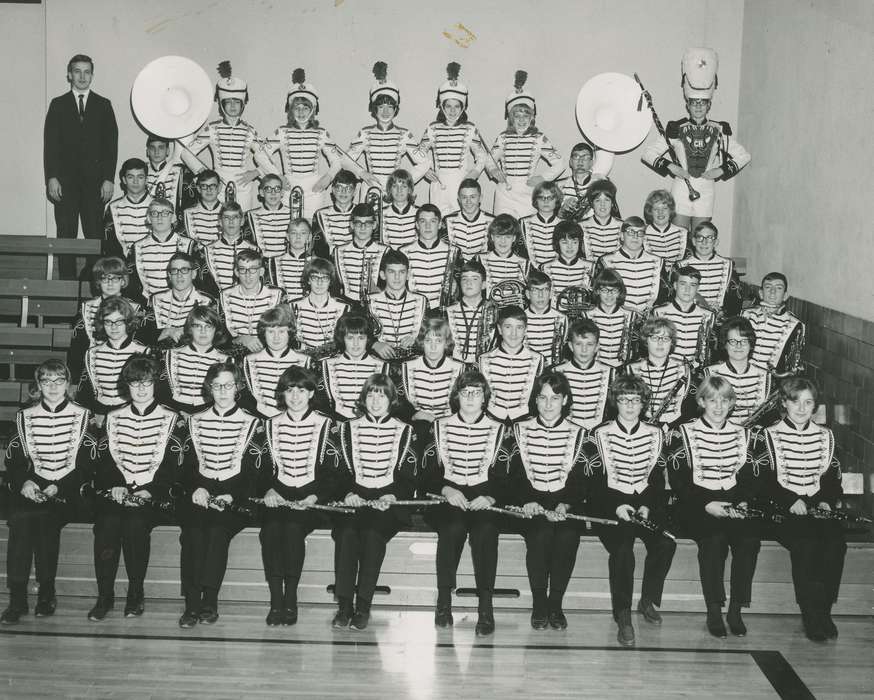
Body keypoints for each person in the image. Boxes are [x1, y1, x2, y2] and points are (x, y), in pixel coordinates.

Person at [666, 375, 764, 638]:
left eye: (724, 400)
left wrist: (741, 501)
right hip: (696, 506)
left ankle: (736, 609)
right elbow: (679, 481)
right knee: (714, 540)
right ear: (701, 401)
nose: (718, 406)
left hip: (733, 504)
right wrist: (707, 504)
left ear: (732, 403)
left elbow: (750, 477)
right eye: (712, 400)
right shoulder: (684, 432)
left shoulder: (744, 434)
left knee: (749, 541)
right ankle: (714, 609)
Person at [86, 356, 182, 621]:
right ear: (127, 385)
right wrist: (115, 485)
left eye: (147, 383)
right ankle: (104, 596)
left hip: (154, 496)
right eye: (135, 383)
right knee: (106, 524)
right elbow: (104, 460)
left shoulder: (172, 419)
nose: (141, 389)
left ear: (155, 385)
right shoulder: (113, 417)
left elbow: (173, 465)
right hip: (117, 494)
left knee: (135, 525)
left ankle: (135, 594)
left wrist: (150, 490)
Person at [1, 360, 94, 624]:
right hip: (34, 489)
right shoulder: (24, 416)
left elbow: (88, 466)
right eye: (46, 381)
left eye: (59, 380)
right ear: (38, 385)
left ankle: (46, 592)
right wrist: (25, 483)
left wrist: (59, 486)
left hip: (70, 492)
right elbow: (15, 462)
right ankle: (17, 598)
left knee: (44, 518)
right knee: (20, 519)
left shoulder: (83, 416)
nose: (53, 387)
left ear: (68, 384)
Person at [586, 375, 676, 646]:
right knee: (623, 550)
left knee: (665, 544)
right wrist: (616, 506)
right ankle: (622, 614)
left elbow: (658, 480)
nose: (629, 406)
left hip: (644, 505)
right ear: (615, 402)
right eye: (624, 400)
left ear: (643, 404)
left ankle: (647, 600)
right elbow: (592, 483)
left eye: (635, 400)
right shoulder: (598, 434)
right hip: (610, 507)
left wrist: (648, 505)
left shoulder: (656, 433)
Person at [420, 370, 511, 635]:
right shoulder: (438, 427)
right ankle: (444, 600)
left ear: (485, 398)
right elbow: (425, 476)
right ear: (456, 396)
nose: (470, 398)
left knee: (485, 532)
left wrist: (492, 496)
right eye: (465, 392)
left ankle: (486, 606)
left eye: (477, 392)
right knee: (452, 529)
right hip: (448, 498)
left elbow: (510, 477)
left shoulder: (501, 430)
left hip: (484, 499)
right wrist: (446, 489)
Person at [178, 360, 263, 628]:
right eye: (217, 386)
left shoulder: (253, 423)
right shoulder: (195, 421)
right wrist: (198, 487)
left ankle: (209, 601)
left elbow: (255, 473)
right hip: (200, 496)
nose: (222, 391)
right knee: (191, 532)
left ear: (237, 387)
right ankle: (191, 603)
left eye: (227, 386)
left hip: (235, 500)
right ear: (209, 388)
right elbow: (187, 466)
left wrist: (231, 496)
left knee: (216, 531)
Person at [331, 374, 417, 631]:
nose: (376, 400)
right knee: (346, 533)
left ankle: (364, 605)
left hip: (387, 504)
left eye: (382, 394)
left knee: (371, 533)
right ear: (363, 399)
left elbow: (410, 476)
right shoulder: (347, 428)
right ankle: (344, 605)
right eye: (371, 394)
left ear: (391, 400)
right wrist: (348, 494)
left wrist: (392, 496)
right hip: (355, 500)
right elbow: (338, 472)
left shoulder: (406, 431)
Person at [763, 378, 846, 641]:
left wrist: (824, 501)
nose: (801, 408)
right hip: (782, 509)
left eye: (808, 402)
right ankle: (810, 614)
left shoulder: (826, 435)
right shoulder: (768, 435)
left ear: (814, 406)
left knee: (836, 544)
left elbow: (832, 479)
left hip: (817, 507)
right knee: (806, 545)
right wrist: (789, 500)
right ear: (784, 403)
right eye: (795, 401)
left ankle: (824, 610)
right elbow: (762, 481)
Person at [258, 366, 341, 625]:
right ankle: (275, 600)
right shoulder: (269, 425)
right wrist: (268, 490)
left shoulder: (328, 425)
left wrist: (315, 497)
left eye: (301, 390)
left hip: (311, 501)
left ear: (311, 393)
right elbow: (259, 468)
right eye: (289, 390)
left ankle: (290, 598)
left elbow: (335, 473)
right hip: (278, 497)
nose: (295, 396)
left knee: (293, 529)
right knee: (270, 530)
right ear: (282, 394)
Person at [509, 371, 588, 631]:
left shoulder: (580, 434)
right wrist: (527, 501)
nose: (548, 404)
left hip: (565, 505)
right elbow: (513, 474)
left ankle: (556, 603)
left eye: (555, 398)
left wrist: (566, 505)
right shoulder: (519, 430)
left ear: (565, 400)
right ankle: (540, 602)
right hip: (530, 505)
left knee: (567, 536)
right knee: (540, 534)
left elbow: (582, 479)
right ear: (535, 400)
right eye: (542, 397)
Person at [641, 48, 750, 232]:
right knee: (679, 238)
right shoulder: (677, 129)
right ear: (687, 104)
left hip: (706, 189)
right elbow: (648, 154)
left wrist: (720, 171)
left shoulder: (719, 130)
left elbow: (743, 155)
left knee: (701, 236)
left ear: (709, 105)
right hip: (681, 187)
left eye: (702, 102)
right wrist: (671, 167)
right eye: (694, 102)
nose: (698, 106)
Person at [44, 54, 118, 280]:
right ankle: (66, 288)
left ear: (92, 75)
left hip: (95, 184)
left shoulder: (104, 105)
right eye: (77, 71)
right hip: (65, 184)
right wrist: (52, 177)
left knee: (94, 235)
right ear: (69, 74)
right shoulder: (58, 104)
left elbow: (110, 145)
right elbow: (50, 145)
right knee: (66, 234)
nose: (82, 76)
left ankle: (95, 287)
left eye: (87, 72)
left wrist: (108, 178)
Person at [179, 61, 265, 212]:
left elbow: (267, 157)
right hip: (218, 186)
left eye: (236, 102)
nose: (232, 106)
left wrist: (256, 172)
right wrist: (204, 173)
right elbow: (186, 153)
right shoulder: (213, 129)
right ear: (221, 104)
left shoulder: (249, 130)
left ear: (243, 103)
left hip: (243, 187)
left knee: (241, 224)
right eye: (228, 102)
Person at [259, 68, 340, 220]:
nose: (301, 112)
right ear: (291, 110)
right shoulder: (282, 132)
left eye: (305, 108)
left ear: (313, 110)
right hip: (288, 187)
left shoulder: (321, 133)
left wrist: (328, 177)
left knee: (312, 230)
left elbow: (337, 161)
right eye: (297, 108)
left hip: (314, 190)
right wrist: (278, 176)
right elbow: (260, 155)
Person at [412, 62, 485, 217]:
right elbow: (419, 153)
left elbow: (482, 156)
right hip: (438, 184)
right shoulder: (432, 128)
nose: (452, 111)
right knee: (438, 222)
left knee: (460, 221)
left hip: (461, 183)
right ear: (442, 107)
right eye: (448, 106)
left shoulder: (470, 128)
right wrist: (425, 170)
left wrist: (475, 173)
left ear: (463, 108)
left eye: (457, 106)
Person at [488, 71, 564, 218]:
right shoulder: (503, 137)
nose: (522, 120)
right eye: (517, 116)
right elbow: (489, 159)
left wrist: (542, 178)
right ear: (511, 118)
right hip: (504, 194)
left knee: (527, 234)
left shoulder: (539, 138)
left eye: (526, 115)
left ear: (532, 117)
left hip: (528, 193)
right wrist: (493, 170)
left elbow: (560, 162)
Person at [342, 62, 419, 192]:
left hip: (395, 191)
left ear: (395, 110)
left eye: (390, 107)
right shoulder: (365, 133)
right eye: (381, 107)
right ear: (374, 109)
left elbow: (424, 162)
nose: (385, 112)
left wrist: (406, 180)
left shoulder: (404, 134)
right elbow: (345, 160)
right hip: (370, 188)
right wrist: (361, 172)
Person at [67, 256, 141, 386]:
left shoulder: (136, 309)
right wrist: (74, 381)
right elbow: (77, 349)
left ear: (123, 281)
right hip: (95, 369)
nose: (110, 283)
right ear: (98, 282)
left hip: (128, 370)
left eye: (115, 278)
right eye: (105, 278)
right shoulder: (87, 308)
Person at [76, 297, 150, 423]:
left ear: (128, 322)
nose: (113, 327)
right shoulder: (92, 353)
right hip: (99, 413)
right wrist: (94, 415)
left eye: (119, 321)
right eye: (108, 322)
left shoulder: (143, 352)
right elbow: (87, 391)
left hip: (130, 416)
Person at [398, 316, 464, 445]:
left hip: (450, 429)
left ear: (446, 343)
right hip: (416, 427)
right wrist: (414, 414)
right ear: (422, 342)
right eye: (428, 341)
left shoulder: (460, 368)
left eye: (438, 341)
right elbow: (398, 402)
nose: (433, 347)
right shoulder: (406, 367)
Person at [241, 306, 311, 418]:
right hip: (260, 420)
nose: (276, 337)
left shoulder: (305, 361)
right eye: (271, 332)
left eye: (282, 331)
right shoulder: (249, 361)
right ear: (263, 333)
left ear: (290, 332)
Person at [159, 305, 230, 415]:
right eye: (197, 326)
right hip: (174, 412)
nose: (203, 331)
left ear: (216, 330)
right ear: (190, 329)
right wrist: (179, 413)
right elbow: (161, 393)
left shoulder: (226, 361)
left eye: (208, 326)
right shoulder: (170, 355)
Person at [126, 198, 197, 305]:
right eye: (154, 213)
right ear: (148, 218)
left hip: (184, 305)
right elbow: (131, 285)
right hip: (149, 307)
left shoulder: (190, 245)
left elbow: (198, 282)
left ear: (173, 218)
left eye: (165, 213)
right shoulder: (137, 247)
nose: (159, 217)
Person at [479, 305, 544, 422]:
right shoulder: (483, 360)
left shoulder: (538, 360)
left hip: (526, 423)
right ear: (499, 329)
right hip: (491, 421)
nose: (514, 333)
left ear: (526, 329)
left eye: (519, 327)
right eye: (508, 327)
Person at [703, 317, 771, 427]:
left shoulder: (766, 376)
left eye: (744, 341)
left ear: (751, 344)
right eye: (733, 341)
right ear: (725, 344)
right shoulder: (708, 374)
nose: (738, 346)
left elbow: (771, 416)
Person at [321, 312, 388, 420]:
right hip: (337, 428)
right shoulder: (326, 366)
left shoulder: (383, 367)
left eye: (361, 338)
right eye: (350, 338)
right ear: (342, 338)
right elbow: (321, 406)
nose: (356, 344)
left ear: (368, 339)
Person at [626, 317, 691, 428]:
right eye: (655, 338)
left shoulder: (684, 369)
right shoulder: (630, 369)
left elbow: (691, 409)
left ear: (672, 342)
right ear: (646, 340)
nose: (660, 343)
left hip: (676, 430)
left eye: (665, 338)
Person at [141, 252, 215, 349]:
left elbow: (216, 336)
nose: (179, 275)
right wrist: (166, 331)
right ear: (169, 275)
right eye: (174, 270)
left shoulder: (207, 301)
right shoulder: (155, 299)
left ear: (194, 274)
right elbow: (142, 335)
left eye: (184, 270)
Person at [219, 249, 284, 355]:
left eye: (253, 269)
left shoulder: (278, 295)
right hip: (234, 356)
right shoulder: (224, 296)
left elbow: (286, 332)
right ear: (236, 272)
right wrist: (240, 339)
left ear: (262, 271)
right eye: (242, 269)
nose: (248, 275)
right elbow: (218, 336)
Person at [367, 249, 429, 361]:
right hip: (378, 364)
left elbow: (434, 333)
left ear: (408, 275)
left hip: (412, 363)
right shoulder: (368, 301)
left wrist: (417, 341)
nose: (397, 277)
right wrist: (375, 344)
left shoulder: (422, 301)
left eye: (401, 272)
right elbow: (354, 331)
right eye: (391, 272)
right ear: (382, 275)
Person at [552, 319, 614, 430]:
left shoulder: (611, 373)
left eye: (589, 344)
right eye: (578, 344)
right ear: (570, 346)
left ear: (597, 346)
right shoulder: (555, 372)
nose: (584, 350)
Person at [594, 217, 665, 313]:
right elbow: (597, 295)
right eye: (631, 232)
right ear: (622, 236)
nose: (635, 236)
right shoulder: (605, 261)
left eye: (640, 233)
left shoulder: (658, 261)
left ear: (644, 237)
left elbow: (665, 296)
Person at [742, 272, 805, 374]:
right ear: (761, 293)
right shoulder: (747, 315)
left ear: (785, 295)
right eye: (768, 287)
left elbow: (791, 365)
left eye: (779, 288)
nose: (772, 292)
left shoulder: (794, 325)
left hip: (772, 381)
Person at [652, 266, 716, 367]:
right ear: (675, 285)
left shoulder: (708, 316)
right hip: (666, 369)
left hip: (695, 371)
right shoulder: (659, 313)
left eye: (693, 285)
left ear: (698, 288)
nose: (687, 289)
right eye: (683, 284)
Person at [677, 221, 742, 316]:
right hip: (688, 315)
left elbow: (735, 298)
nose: (704, 242)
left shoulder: (728, 265)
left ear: (716, 242)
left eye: (710, 238)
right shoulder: (681, 266)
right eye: (700, 238)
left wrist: (723, 312)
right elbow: (674, 296)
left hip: (720, 319)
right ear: (694, 241)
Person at [288, 257, 350, 354]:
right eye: (314, 277)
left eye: (325, 278)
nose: (319, 282)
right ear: (308, 280)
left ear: (330, 281)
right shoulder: (293, 306)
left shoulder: (344, 308)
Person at [400, 204, 457, 309]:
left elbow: (461, 286)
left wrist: (456, 287)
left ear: (440, 224)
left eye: (433, 221)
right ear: (417, 225)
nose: (427, 226)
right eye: (423, 221)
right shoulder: (403, 252)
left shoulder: (454, 251)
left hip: (444, 312)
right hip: (412, 309)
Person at [332, 202, 389, 303]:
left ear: (375, 225)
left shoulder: (386, 252)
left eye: (368, 223)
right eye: (358, 223)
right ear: (352, 225)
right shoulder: (338, 251)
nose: (363, 228)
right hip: (347, 306)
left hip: (376, 306)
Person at [200, 201, 259, 297]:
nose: (231, 221)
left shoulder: (255, 250)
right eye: (226, 218)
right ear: (220, 222)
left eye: (235, 217)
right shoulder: (207, 251)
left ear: (242, 221)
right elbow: (204, 286)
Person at [583, 269, 639, 368]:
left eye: (614, 290)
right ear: (597, 291)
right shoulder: (586, 316)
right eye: (604, 290)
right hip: (596, 370)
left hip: (623, 370)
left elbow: (637, 350)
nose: (609, 294)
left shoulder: (632, 316)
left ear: (620, 292)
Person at [103, 157, 152, 259]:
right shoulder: (113, 207)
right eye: (130, 177)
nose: (135, 181)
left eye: (140, 177)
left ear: (147, 180)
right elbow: (110, 245)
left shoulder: (158, 205)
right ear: (124, 180)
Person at [445, 258, 489, 364]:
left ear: (484, 285)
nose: (468, 283)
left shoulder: (493, 311)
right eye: (464, 279)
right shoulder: (448, 312)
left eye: (474, 279)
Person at [557, 142, 613, 219]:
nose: (580, 161)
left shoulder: (601, 184)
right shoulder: (559, 186)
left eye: (585, 157)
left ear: (591, 162)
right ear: (570, 162)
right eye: (576, 156)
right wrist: (562, 210)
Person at [478, 214, 529, 295]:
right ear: (492, 237)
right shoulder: (479, 259)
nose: (503, 241)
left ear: (514, 238)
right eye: (498, 236)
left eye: (508, 237)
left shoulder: (525, 264)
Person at [542, 220, 594, 300]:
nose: (570, 247)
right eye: (564, 242)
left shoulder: (592, 267)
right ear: (557, 243)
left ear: (580, 243)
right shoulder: (545, 268)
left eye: (574, 242)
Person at [443, 178, 494, 260]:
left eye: (472, 197)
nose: (468, 201)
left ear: (480, 198)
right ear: (459, 199)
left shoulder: (493, 221)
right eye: (464, 197)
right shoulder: (447, 221)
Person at [145, 134, 191, 223]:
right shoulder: (141, 172)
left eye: (161, 147)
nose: (156, 151)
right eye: (152, 148)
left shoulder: (181, 172)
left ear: (168, 151)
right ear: (147, 151)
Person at [524, 269, 567, 362]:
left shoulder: (562, 318)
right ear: (527, 294)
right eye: (535, 290)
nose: (541, 295)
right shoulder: (520, 318)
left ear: (551, 294)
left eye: (545, 290)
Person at [269, 217, 316, 302]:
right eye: (293, 233)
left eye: (303, 233)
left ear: (310, 237)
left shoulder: (317, 262)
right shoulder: (273, 262)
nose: (298, 237)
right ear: (287, 236)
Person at [247, 173, 292, 259]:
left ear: (282, 192)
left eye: (277, 188)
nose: (273, 193)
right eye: (268, 189)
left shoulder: (293, 214)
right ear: (261, 193)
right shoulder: (251, 215)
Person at [312, 170, 359, 251]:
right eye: (339, 187)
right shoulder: (320, 214)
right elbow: (317, 248)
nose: (343, 192)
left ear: (355, 192)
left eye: (348, 188)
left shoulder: (362, 213)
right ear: (333, 190)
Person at [520, 180, 563, 266]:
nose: (546, 201)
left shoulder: (564, 225)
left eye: (550, 198)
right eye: (541, 197)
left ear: (557, 200)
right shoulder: (522, 224)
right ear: (536, 200)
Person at [581, 179, 622, 261]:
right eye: (597, 200)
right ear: (592, 203)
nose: (602, 204)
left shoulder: (622, 226)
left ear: (613, 203)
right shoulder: (581, 226)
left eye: (607, 200)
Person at [643, 189, 687, 263]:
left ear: (670, 210)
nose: (660, 212)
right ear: (650, 211)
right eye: (656, 209)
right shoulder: (642, 234)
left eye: (665, 208)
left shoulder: (684, 233)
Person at [183, 170, 223, 247]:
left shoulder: (228, 212)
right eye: (204, 186)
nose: (209, 190)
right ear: (198, 189)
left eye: (213, 185)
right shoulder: (187, 213)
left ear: (219, 188)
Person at [380, 169, 419, 250]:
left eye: (404, 186)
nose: (399, 190)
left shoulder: (419, 212)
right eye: (395, 186)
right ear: (390, 189)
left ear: (409, 190)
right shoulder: (381, 213)